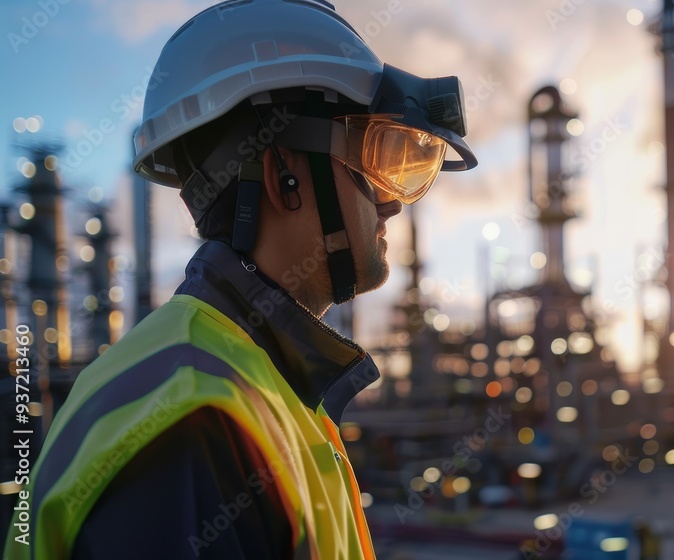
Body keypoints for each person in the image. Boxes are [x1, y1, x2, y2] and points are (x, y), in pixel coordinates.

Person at [4, 1, 476, 558]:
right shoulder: (193, 422)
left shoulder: (257, 381)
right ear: (284, 175)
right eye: (374, 159)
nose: (392, 203)